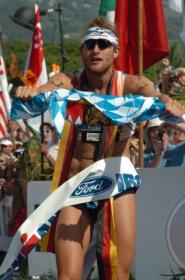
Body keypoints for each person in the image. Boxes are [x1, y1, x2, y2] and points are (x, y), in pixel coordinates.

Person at [16, 17, 185, 280]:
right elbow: (49, 87)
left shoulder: (128, 84)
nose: (96, 49)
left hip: (114, 183)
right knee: (67, 276)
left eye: (103, 44)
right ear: (82, 51)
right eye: (90, 44)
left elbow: (151, 92)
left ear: (115, 51)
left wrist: (166, 101)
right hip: (77, 185)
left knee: (116, 271)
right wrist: (34, 90)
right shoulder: (69, 81)